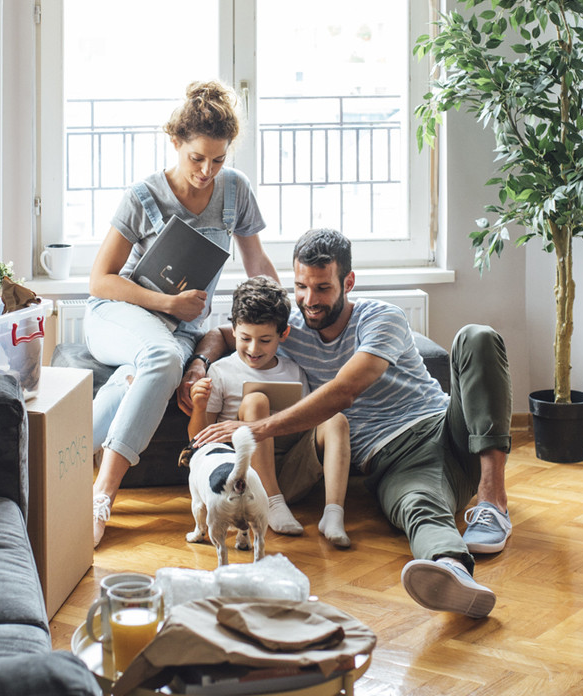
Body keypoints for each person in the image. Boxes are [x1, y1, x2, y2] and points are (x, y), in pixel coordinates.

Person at [193, 229, 514, 618]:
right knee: (419, 509)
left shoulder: (382, 317)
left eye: (323, 288)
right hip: (393, 462)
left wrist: (255, 430)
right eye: (300, 286)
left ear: (348, 282)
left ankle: (493, 502)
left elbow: (345, 391)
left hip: (445, 426)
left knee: (475, 337)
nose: (310, 300)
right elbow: (224, 334)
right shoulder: (290, 327)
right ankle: (452, 570)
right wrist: (198, 366)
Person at [88, 80, 280, 547]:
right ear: (175, 143)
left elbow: (257, 265)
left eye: (218, 160)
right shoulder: (143, 195)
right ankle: (102, 494)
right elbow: (100, 280)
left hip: (177, 330)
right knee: (160, 358)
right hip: (118, 312)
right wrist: (168, 303)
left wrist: (283, 312)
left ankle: (44, 463)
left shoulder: (235, 192)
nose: (207, 170)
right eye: (197, 158)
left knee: (144, 373)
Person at [186, 277, 353, 546]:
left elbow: (309, 421)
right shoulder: (220, 371)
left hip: (291, 470)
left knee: (335, 418)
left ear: (282, 335)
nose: (253, 349)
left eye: (264, 340)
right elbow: (198, 440)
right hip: (242, 480)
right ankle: (273, 504)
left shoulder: (293, 370)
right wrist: (200, 406)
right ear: (234, 330)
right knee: (256, 402)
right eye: (245, 338)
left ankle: (333, 513)